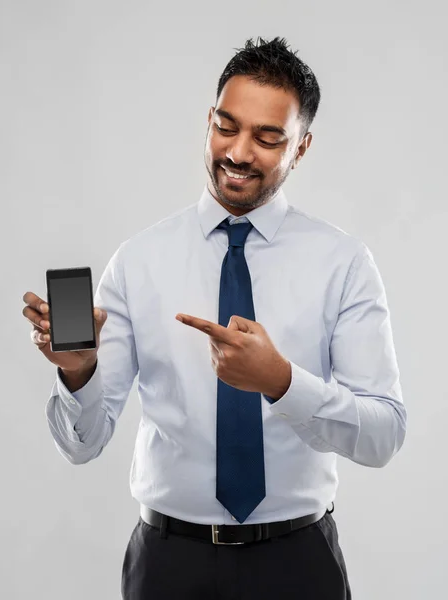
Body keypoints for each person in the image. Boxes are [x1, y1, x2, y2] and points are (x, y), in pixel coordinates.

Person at [22, 36, 407, 600]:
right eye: (226, 126)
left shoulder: (343, 263)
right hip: (168, 564)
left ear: (300, 148)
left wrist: (281, 383)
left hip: (298, 562)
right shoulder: (138, 261)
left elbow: (384, 435)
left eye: (268, 137)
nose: (239, 152)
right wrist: (79, 373)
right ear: (208, 122)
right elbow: (83, 442)